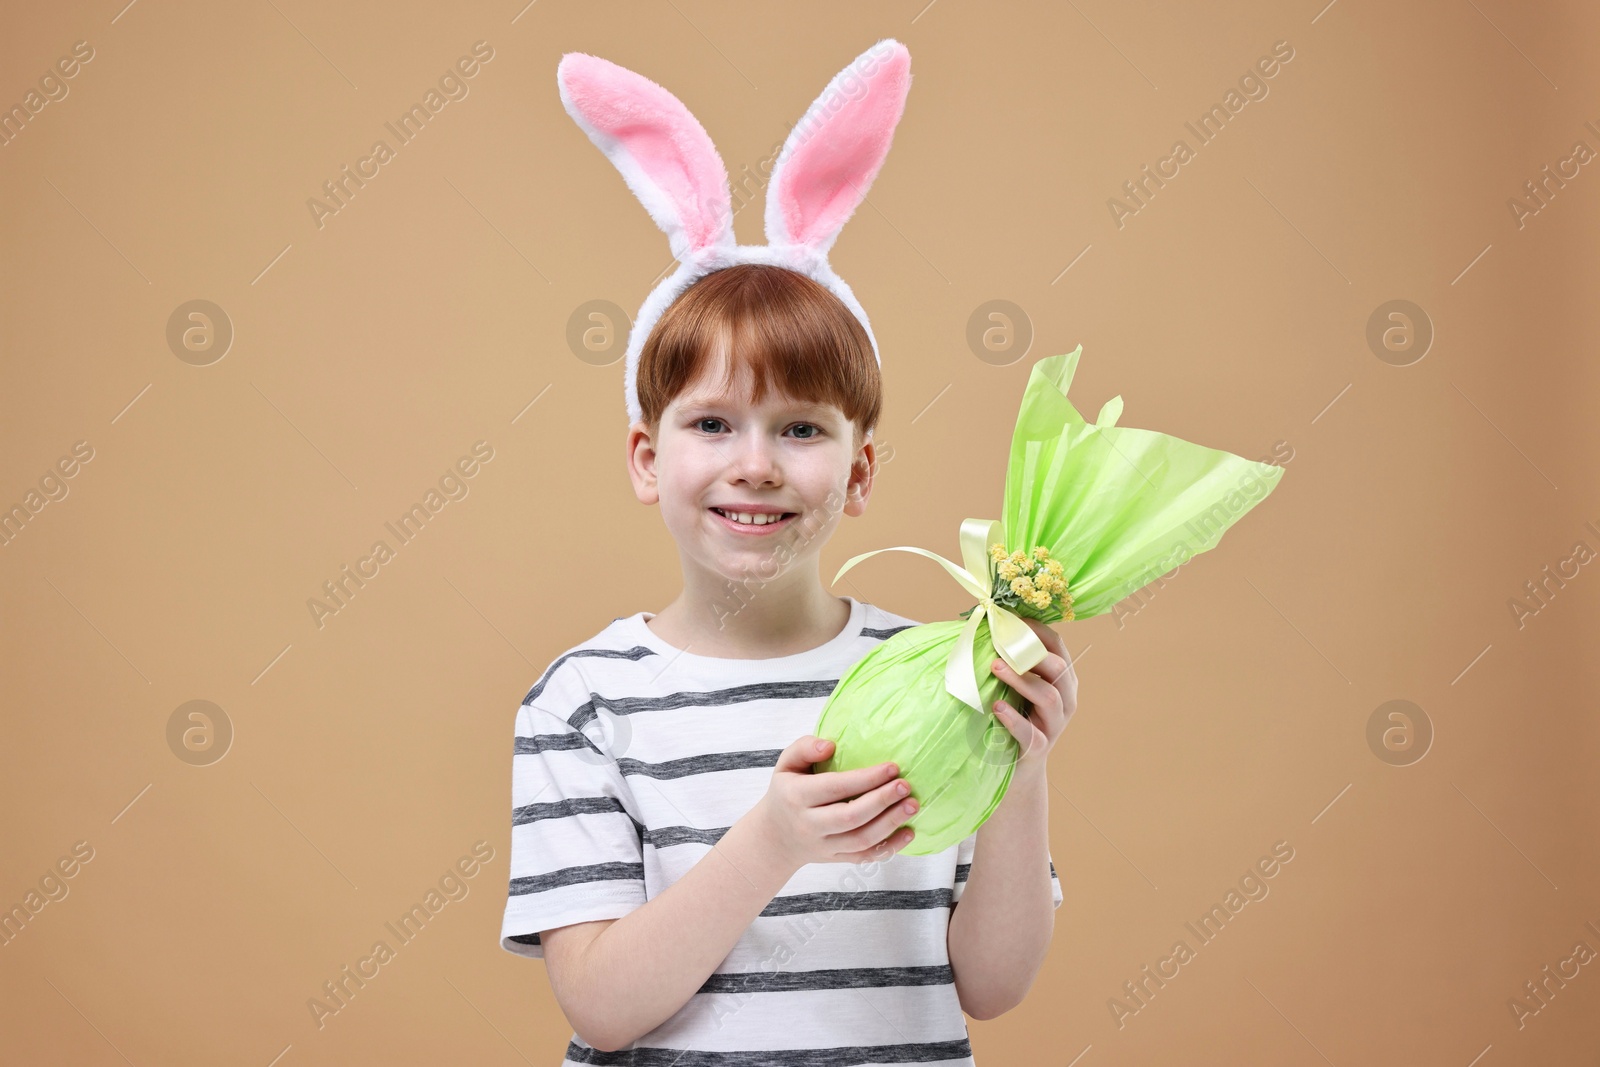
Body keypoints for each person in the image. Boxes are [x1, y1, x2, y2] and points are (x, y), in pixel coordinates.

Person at [500, 40, 1075, 1065]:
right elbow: (599, 1003)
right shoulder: (583, 699)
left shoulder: (942, 672)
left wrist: (1020, 761)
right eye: (712, 424)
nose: (755, 464)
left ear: (858, 475)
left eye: (802, 430)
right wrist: (772, 839)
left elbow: (995, 983)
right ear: (646, 457)